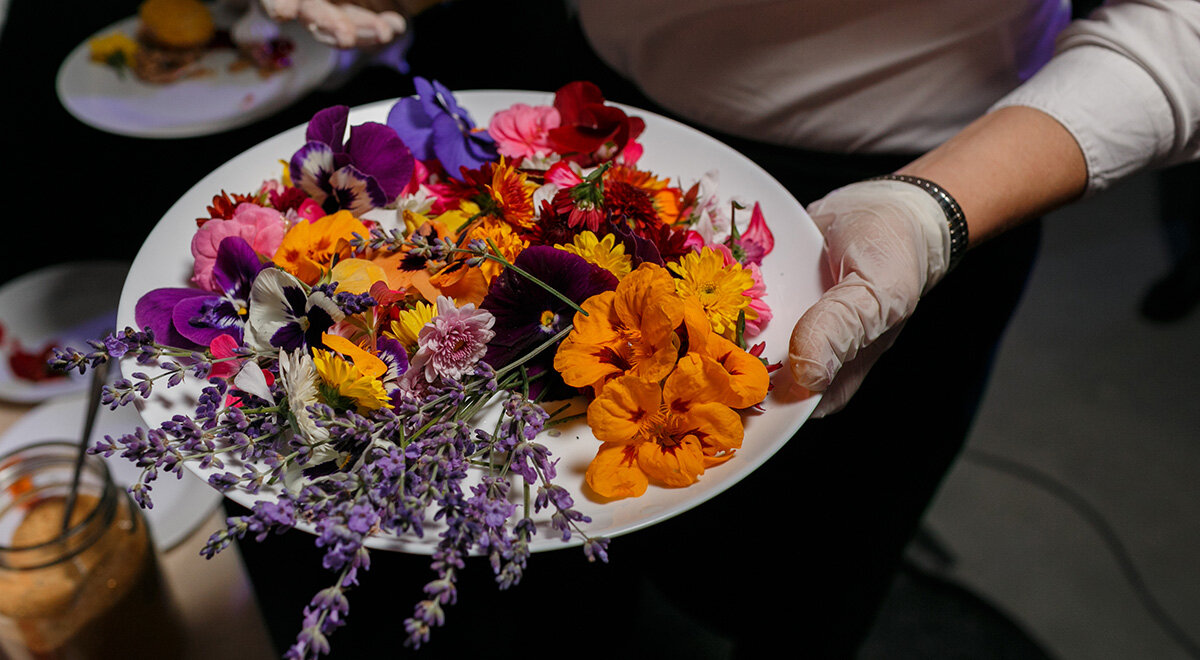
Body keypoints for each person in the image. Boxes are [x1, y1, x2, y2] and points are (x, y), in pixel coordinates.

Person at [226, 1, 1200, 658]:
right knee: (533, 563)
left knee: (804, 578)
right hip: (580, 125)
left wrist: (928, 212)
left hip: (927, 180)